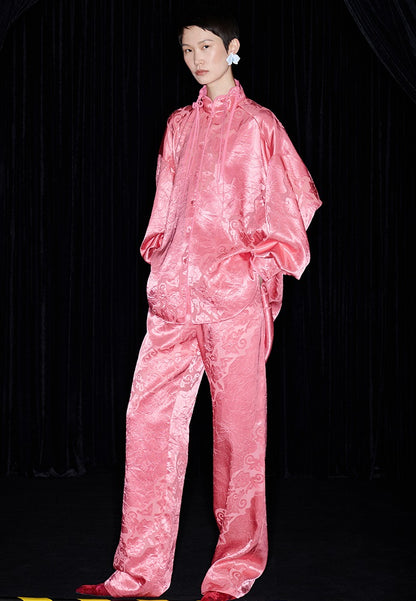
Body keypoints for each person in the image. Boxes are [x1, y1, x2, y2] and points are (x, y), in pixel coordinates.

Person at [76, 9, 321, 601]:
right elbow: (165, 207)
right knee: (147, 425)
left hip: (234, 302)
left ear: (232, 48)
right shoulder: (178, 126)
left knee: (238, 438)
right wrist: (161, 264)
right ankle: (138, 573)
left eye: (206, 46)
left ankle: (234, 569)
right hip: (174, 301)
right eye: (188, 50)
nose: (196, 59)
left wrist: (255, 269)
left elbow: (296, 205)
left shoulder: (261, 125)